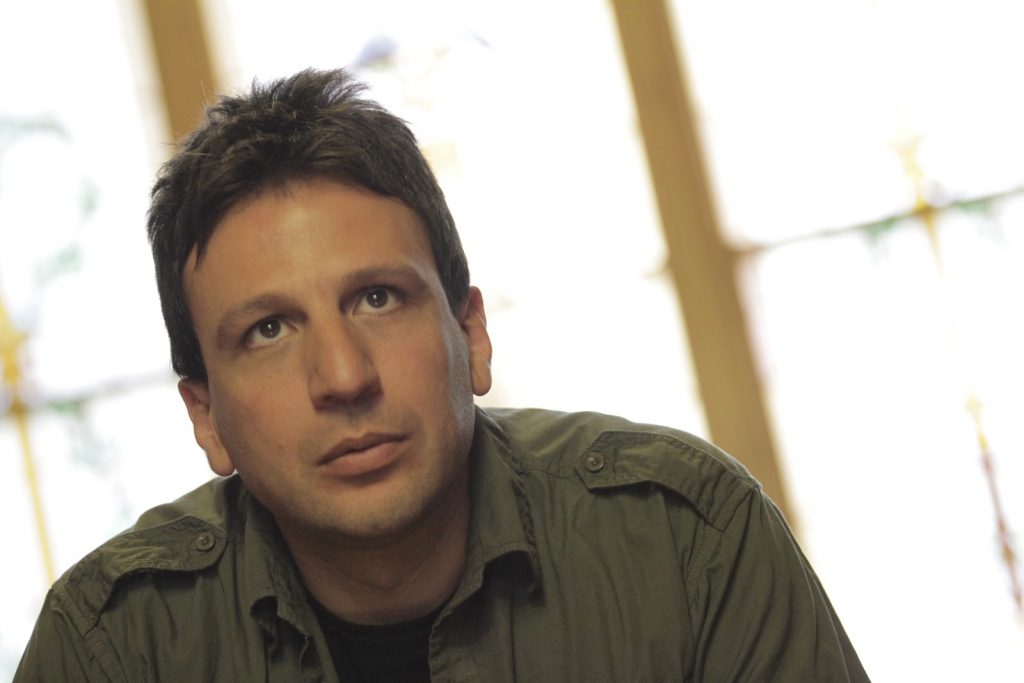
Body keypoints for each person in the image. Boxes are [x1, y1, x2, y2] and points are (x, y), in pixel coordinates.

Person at [16, 68, 868, 682]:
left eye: (378, 298)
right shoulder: (110, 648)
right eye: (268, 330)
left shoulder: (688, 542)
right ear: (205, 415)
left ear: (472, 334)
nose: (343, 375)